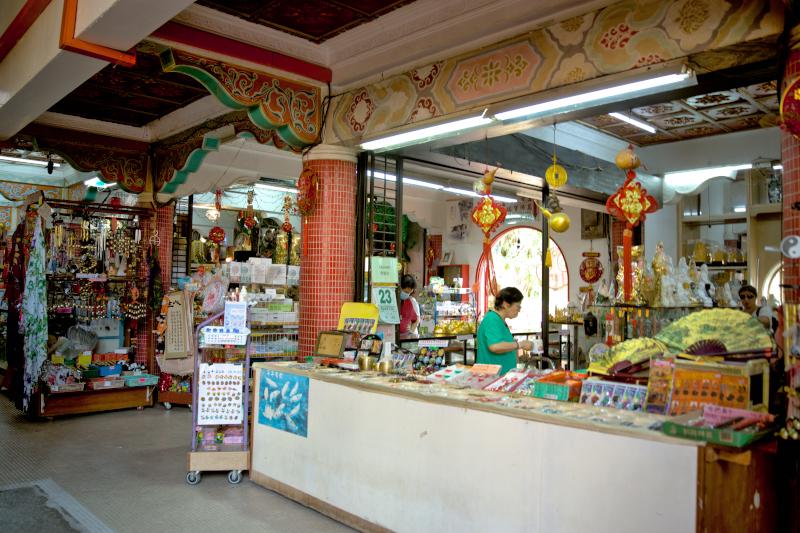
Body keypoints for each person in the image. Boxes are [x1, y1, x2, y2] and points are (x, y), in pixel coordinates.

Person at [476, 287, 534, 373]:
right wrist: (520, 345)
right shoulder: (492, 319)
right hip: (492, 376)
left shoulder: (500, 321)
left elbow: (503, 345)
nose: (519, 310)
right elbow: (495, 346)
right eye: (518, 306)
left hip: (501, 374)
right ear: (506, 304)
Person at [398, 274, 420, 339]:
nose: (407, 294)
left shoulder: (411, 301)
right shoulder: (397, 301)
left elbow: (416, 320)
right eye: (406, 292)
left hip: (409, 337)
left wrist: (410, 332)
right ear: (400, 287)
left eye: (409, 293)